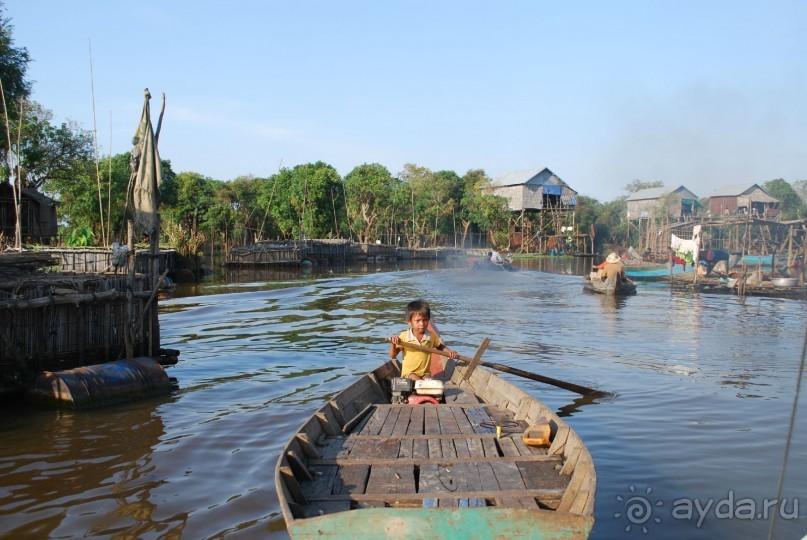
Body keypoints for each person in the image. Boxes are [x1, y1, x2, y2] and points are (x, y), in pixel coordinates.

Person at [387, 300, 458, 380]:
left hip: (425, 373)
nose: (422, 324)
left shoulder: (430, 336)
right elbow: (393, 355)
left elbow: (440, 346)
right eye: (417, 321)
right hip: (409, 373)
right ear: (409, 322)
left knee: (430, 382)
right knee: (420, 382)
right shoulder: (404, 336)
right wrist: (393, 344)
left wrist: (450, 352)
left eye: (425, 320)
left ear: (428, 320)